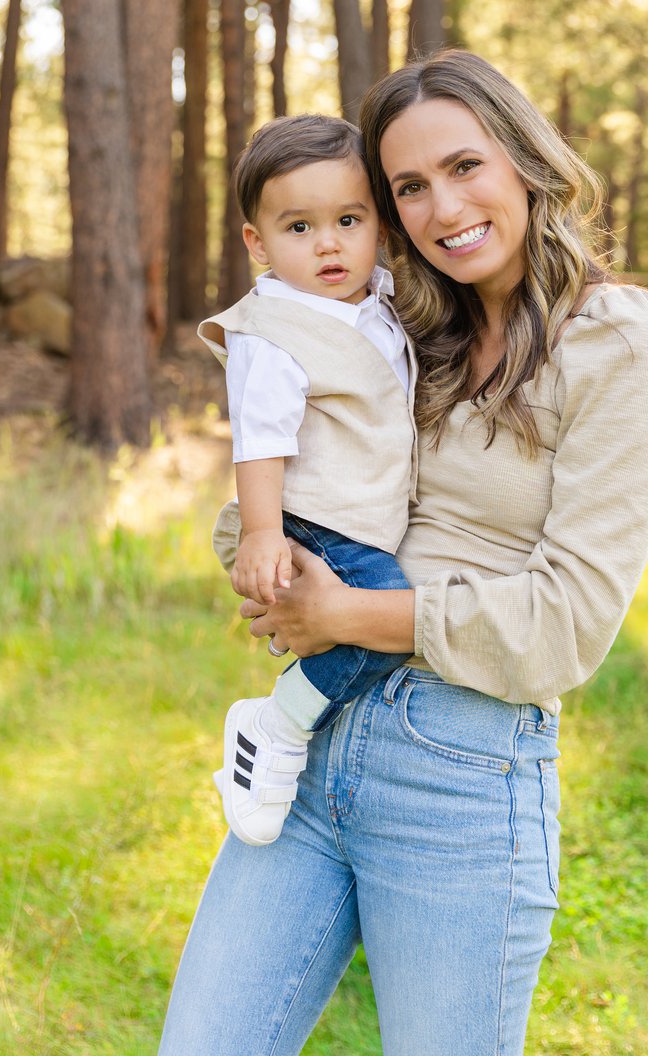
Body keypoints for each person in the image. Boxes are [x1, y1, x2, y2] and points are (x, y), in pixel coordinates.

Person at [159, 50, 648, 1056]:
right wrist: (271, 551)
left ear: (524, 158)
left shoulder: (617, 339)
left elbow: (564, 628)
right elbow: (258, 516)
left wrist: (341, 611)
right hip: (313, 750)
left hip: (462, 772)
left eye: (464, 166)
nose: (443, 208)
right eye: (408, 187)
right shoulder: (400, 328)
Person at [197, 113, 417, 846]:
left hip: (363, 512)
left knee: (373, 621)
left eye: (349, 220)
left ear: (378, 225)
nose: (329, 243)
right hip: (318, 517)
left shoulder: (377, 303)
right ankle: (276, 727)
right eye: (299, 227)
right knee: (380, 618)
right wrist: (263, 532)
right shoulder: (273, 332)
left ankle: (297, 726)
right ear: (257, 243)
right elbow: (260, 440)